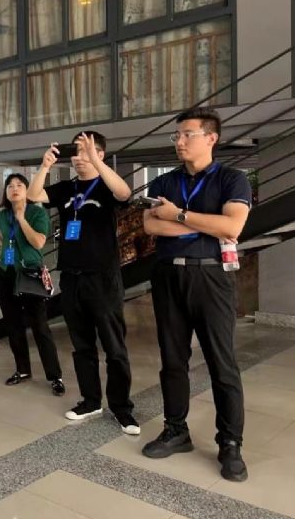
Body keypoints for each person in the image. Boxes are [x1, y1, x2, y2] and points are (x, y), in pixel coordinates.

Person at [142, 107, 251, 483]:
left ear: (211, 138)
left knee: (222, 363)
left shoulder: (232, 179)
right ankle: (176, 430)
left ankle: (230, 443)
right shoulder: (163, 182)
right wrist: (206, 224)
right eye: (177, 135)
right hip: (168, 276)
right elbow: (151, 227)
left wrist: (179, 216)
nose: (180, 141)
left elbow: (233, 226)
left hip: (211, 277)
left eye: (187, 134)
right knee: (173, 360)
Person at [28, 131, 139, 434]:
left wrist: (97, 162)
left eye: (85, 151)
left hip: (102, 278)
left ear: (100, 154)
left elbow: (124, 193)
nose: (78, 158)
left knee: (114, 347)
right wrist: (45, 166)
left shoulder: (106, 186)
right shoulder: (67, 188)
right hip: (72, 278)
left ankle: (122, 408)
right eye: (75, 152)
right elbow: (34, 195)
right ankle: (91, 400)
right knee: (82, 345)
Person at [0, 174, 65, 395]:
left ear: (27, 190)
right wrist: (2, 242)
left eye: (19, 185)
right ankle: (22, 370)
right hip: (6, 273)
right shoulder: (3, 215)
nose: (14, 188)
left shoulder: (37, 213)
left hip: (30, 274)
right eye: (10, 186)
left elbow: (39, 242)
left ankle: (55, 376)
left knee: (40, 326)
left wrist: (21, 219)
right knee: (13, 325)